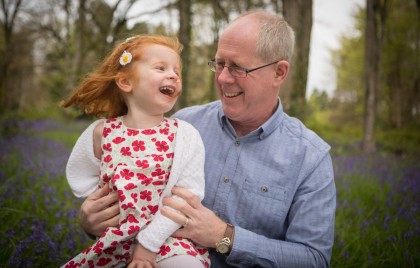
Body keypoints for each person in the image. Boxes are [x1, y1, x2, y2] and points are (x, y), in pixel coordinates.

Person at [72, 11, 336, 267]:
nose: (222, 78)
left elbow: (314, 259)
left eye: (238, 68)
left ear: (278, 72)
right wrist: (90, 222)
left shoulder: (310, 158)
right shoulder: (182, 125)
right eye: (219, 64)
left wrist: (225, 236)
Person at [61, 35, 210, 268]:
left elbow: (186, 196)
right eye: (160, 68)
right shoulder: (102, 133)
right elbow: (80, 173)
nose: (173, 75)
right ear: (125, 82)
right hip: (115, 242)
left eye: (177, 72)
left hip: (167, 240)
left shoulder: (184, 135)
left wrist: (147, 246)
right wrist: (96, 210)